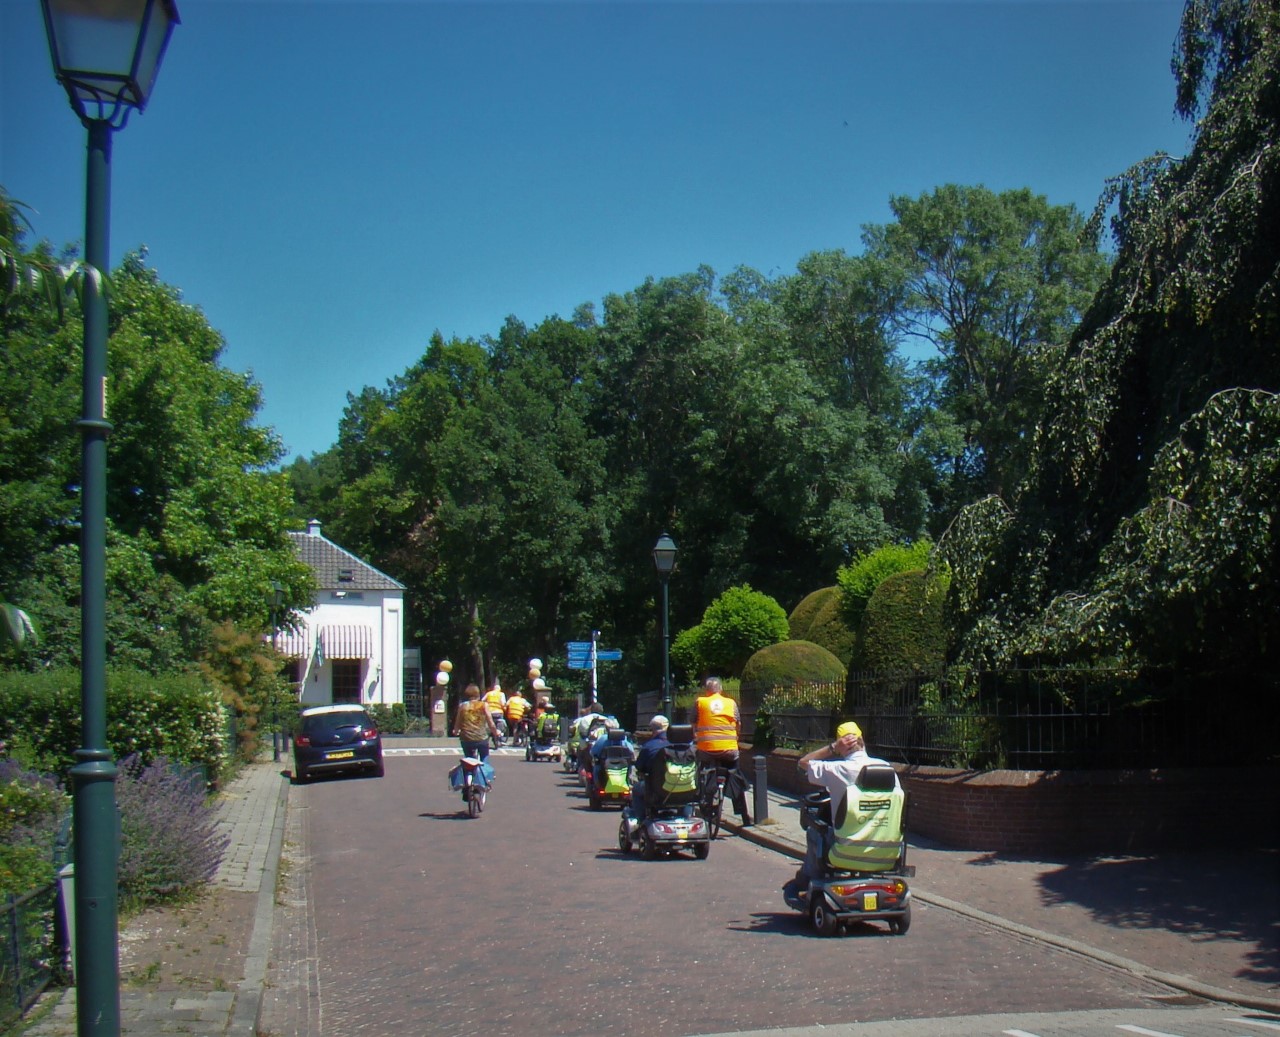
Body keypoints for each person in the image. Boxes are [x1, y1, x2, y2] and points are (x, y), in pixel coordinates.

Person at [783, 721, 900, 899]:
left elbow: (803, 763)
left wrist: (832, 748)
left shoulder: (838, 769)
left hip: (846, 851)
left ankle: (807, 880)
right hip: (888, 852)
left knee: (815, 832)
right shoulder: (887, 769)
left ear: (841, 746)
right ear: (862, 740)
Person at [693, 677, 752, 825]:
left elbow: (693, 723)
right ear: (720, 689)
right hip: (729, 749)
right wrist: (735, 737)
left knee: (702, 771)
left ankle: (706, 805)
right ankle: (745, 817)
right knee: (735, 777)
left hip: (707, 750)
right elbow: (738, 724)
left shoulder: (700, 702)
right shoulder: (731, 703)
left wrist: (697, 736)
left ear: (707, 690)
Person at [627, 715, 670, 824]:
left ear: (653, 730)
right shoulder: (682, 745)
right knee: (686, 797)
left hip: (657, 789)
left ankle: (641, 820)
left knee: (637, 789)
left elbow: (639, 766)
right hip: (683, 787)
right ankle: (686, 815)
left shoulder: (649, 746)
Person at [452, 683, 500, 766]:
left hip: (466, 738)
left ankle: (469, 769)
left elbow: (458, 722)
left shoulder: (462, 706)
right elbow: (490, 722)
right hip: (481, 737)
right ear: (478, 694)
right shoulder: (483, 705)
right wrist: (495, 732)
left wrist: (456, 731)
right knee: (484, 755)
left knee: (469, 759)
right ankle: (484, 770)